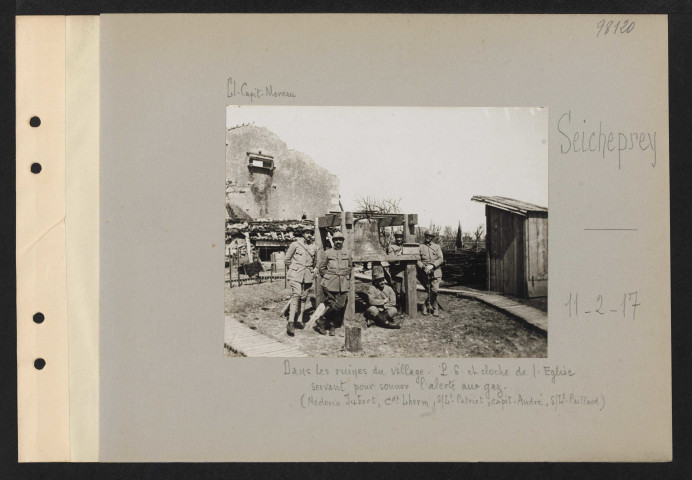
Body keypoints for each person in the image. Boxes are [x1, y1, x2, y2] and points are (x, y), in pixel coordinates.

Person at [315, 231, 352, 336]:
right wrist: (330, 276)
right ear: (333, 241)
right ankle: (332, 326)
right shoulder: (327, 253)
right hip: (330, 283)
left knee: (340, 304)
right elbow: (321, 268)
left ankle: (321, 320)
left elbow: (350, 267)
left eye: (340, 239)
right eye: (336, 240)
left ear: (343, 241)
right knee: (331, 303)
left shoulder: (347, 253)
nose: (338, 241)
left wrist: (345, 275)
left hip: (343, 283)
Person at [284, 225, 316, 336]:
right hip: (295, 274)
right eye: (307, 233)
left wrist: (312, 271)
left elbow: (315, 262)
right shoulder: (295, 245)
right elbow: (287, 259)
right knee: (296, 295)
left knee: (304, 298)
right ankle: (291, 322)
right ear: (303, 234)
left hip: (307, 275)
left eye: (311, 233)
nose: (309, 235)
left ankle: (299, 320)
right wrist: (293, 269)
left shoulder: (314, 247)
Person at [417, 229, 444, 316]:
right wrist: (423, 267)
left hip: (435, 271)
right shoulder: (420, 247)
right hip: (424, 272)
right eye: (426, 236)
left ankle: (425, 305)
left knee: (434, 290)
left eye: (430, 236)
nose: (428, 238)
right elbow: (417, 260)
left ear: (432, 238)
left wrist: (432, 265)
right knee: (429, 290)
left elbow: (441, 259)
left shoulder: (437, 247)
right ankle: (435, 309)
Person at [386, 231, 406, 312]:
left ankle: (405, 307)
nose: (399, 239)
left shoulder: (406, 246)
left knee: (404, 291)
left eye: (400, 237)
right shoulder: (391, 247)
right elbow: (390, 260)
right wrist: (399, 254)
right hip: (396, 272)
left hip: (405, 271)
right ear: (395, 238)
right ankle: (399, 307)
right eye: (397, 237)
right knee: (397, 291)